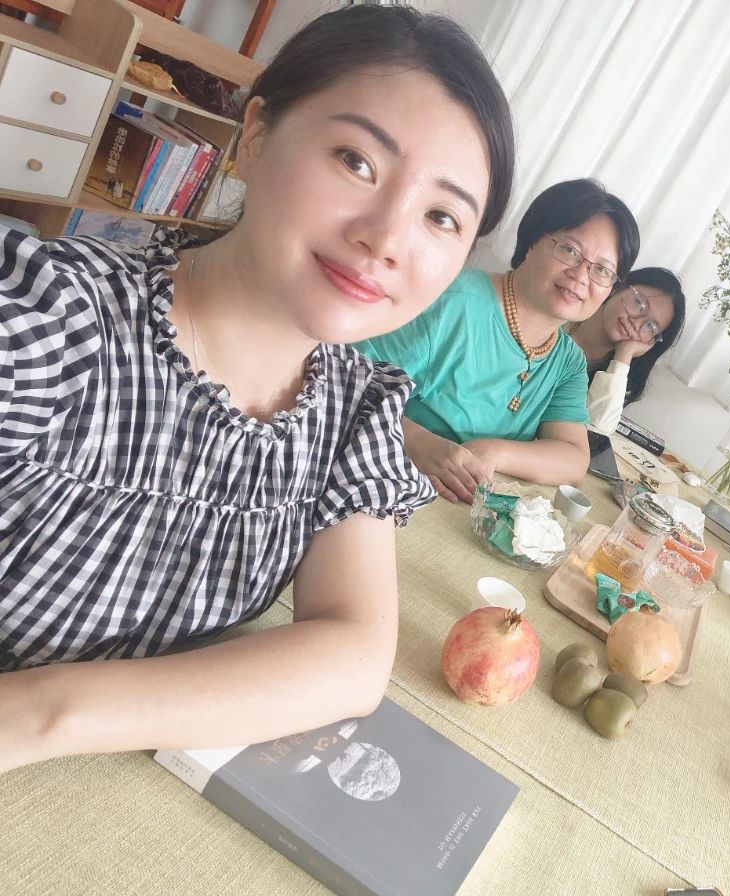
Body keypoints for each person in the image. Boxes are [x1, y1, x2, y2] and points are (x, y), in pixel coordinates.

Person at [0, 7, 515, 774]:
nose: (385, 238)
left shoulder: (354, 415)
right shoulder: (58, 322)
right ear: (256, 135)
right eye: (357, 161)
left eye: (441, 215)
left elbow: (352, 658)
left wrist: (46, 715)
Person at [358, 179, 641, 501]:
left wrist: (495, 452)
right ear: (532, 240)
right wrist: (417, 441)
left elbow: (573, 458)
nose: (580, 276)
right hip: (376, 478)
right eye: (569, 250)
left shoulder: (567, 362)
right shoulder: (452, 302)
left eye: (602, 270)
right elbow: (346, 382)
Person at [567, 266, 686, 433]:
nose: (636, 323)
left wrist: (624, 354)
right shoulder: (564, 310)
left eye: (651, 327)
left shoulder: (615, 375)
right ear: (618, 287)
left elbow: (596, 428)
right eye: (639, 304)